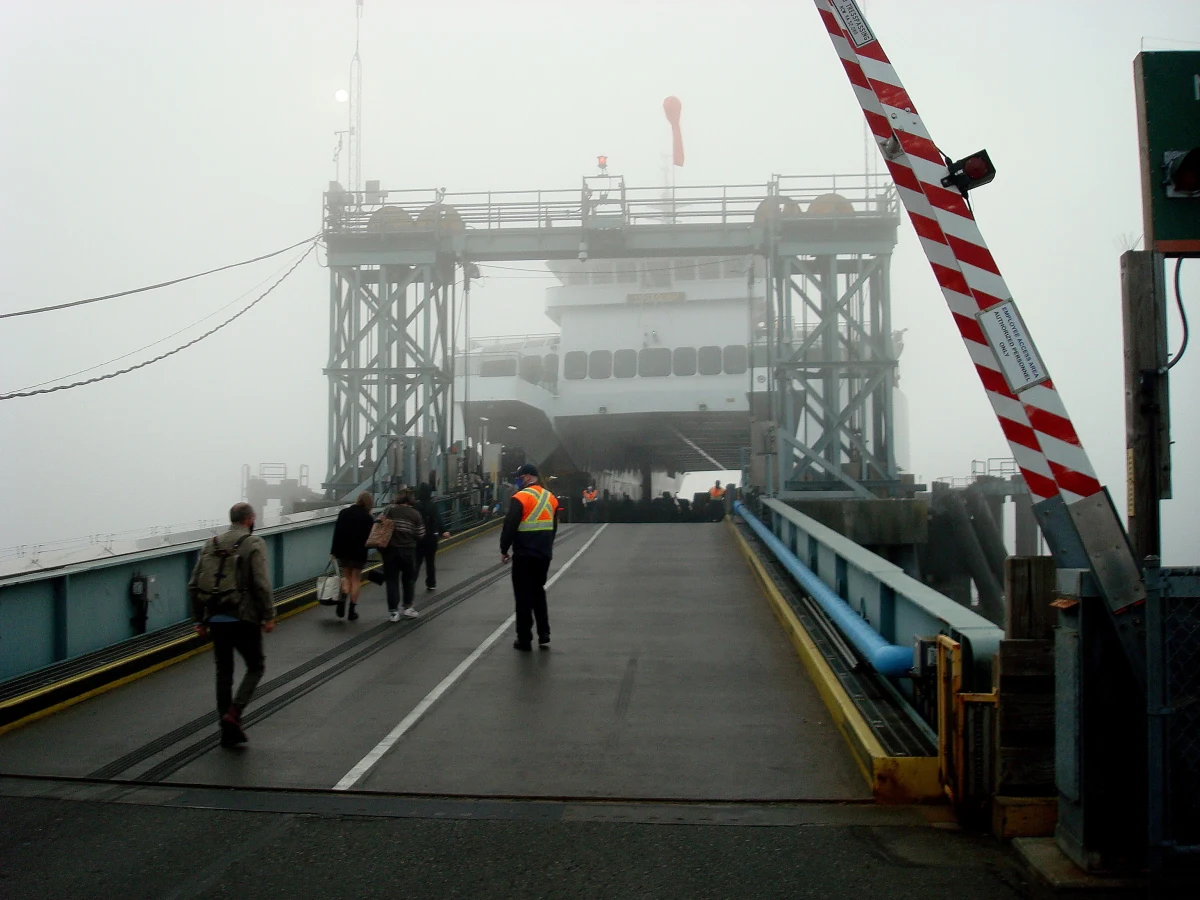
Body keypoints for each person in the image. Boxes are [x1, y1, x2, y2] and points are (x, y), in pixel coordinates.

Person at [188, 502, 275, 748]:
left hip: (216, 617)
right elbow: (261, 583)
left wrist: (199, 620)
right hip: (244, 617)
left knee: (223, 672)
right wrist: (268, 615)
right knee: (256, 666)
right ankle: (234, 714)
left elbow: (194, 585)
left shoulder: (210, 544)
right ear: (249, 519)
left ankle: (226, 730)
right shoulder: (254, 543)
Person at [500, 463, 559, 651]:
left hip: (524, 554)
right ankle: (544, 634)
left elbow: (510, 525)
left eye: (519, 477)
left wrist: (504, 549)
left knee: (523, 596)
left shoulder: (520, 497)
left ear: (526, 477)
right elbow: (553, 527)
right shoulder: (551, 498)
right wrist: (547, 547)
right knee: (538, 592)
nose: (517, 480)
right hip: (543, 554)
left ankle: (524, 638)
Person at [381, 486, 425, 622]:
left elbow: (378, 524)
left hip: (390, 551)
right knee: (408, 580)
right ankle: (407, 608)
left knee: (392, 581)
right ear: (411, 499)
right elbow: (420, 534)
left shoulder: (389, 510)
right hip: (408, 551)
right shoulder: (415, 514)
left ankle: (393, 612)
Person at [329, 490, 375, 620]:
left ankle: (342, 600)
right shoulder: (368, 518)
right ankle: (352, 611)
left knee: (346, 577)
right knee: (356, 579)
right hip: (359, 552)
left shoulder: (344, 513)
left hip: (344, 551)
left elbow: (337, 533)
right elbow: (370, 536)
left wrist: (333, 551)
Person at [414, 483, 451, 592]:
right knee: (430, 562)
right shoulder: (432, 505)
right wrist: (443, 531)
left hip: (418, 538)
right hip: (431, 537)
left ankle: (411, 582)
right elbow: (438, 520)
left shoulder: (415, 506)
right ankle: (431, 583)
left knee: (417, 561)